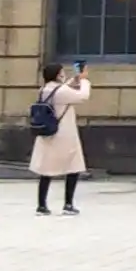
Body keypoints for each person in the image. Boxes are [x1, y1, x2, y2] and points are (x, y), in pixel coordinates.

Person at [29, 61, 90, 215]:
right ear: (58, 74)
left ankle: (41, 205)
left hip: (47, 133)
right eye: (62, 72)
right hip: (64, 134)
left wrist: (73, 80)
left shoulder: (43, 89)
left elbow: (62, 90)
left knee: (46, 170)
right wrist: (83, 80)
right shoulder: (61, 92)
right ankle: (68, 204)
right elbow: (83, 96)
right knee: (73, 167)